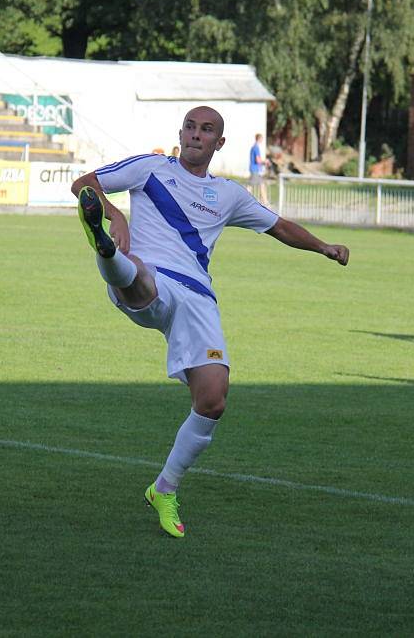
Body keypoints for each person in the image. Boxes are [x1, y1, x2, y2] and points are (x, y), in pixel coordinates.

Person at [72, 106, 349, 539]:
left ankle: (164, 489)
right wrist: (113, 212)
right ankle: (107, 252)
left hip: (198, 300)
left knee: (213, 398)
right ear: (180, 132)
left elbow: (279, 227)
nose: (195, 134)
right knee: (141, 278)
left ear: (219, 143)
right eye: (190, 126)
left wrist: (324, 246)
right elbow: (84, 182)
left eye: (207, 130)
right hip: (150, 276)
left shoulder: (229, 195)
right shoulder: (150, 168)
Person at [248, 133, 271, 207]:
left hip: (255, 169)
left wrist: (263, 163)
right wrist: (265, 162)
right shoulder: (256, 148)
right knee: (250, 186)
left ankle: (264, 201)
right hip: (255, 170)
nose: (262, 140)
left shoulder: (254, 147)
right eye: (262, 139)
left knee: (261, 185)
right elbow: (258, 160)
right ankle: (265, 202)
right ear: (259, 139)